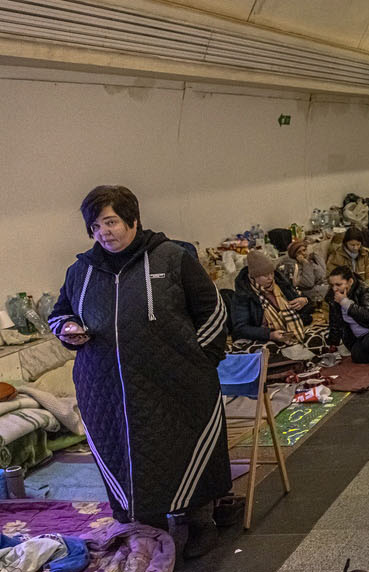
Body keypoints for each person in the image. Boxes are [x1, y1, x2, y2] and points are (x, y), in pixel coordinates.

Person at [48, 185, 229, 557]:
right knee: (125, 455)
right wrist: (67, 327)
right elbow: (59, 314)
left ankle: (200, 522)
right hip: (106, 389)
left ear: (133, 219)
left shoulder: (172, 258)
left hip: (175, 384)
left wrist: (200, 362)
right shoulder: (80, 271)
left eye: (111, 222)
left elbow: (212, 312)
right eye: (96, 226)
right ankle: (149, 526)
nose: (104, 232)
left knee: (184, 447)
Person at [230, 251, 312, 345]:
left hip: (290, 334)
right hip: (261, 339)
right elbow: (240, 328)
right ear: (253, 277)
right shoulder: (243, 295)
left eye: (271, 273)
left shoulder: (280, 285)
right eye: (265, 275)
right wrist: (270, 334)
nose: (270, 278)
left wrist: (305, 301)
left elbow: (305, 308)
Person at [279, 240, 328, 304]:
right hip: (312, 297)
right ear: (294, 255)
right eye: (299, 252)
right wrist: (305, 263)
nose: (303, 253)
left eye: (304, 250)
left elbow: (323, 274)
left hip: (324, 289)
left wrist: (315, 257)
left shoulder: (312, 260)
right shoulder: (294, 267)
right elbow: (308, 283)